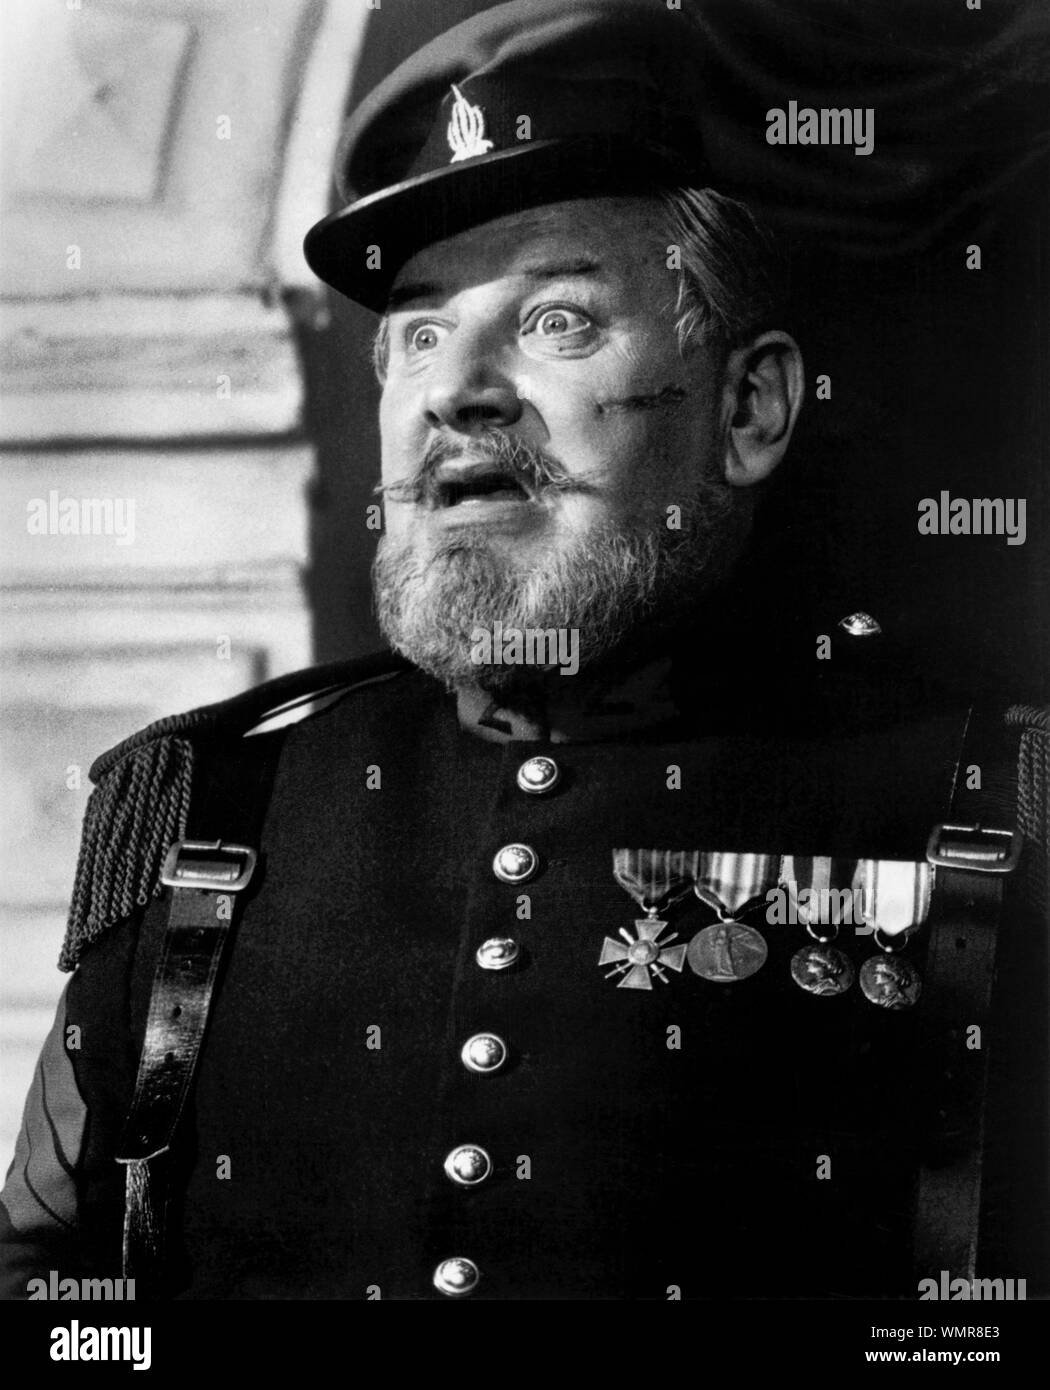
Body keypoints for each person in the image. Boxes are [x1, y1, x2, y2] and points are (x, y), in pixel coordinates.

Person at [1, 0, 1046, 1302]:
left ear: (752, 405)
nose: (456, 389)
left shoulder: (985, 805)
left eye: (556, 321)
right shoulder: (207, 809)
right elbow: (58, 1287)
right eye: (421, 335)